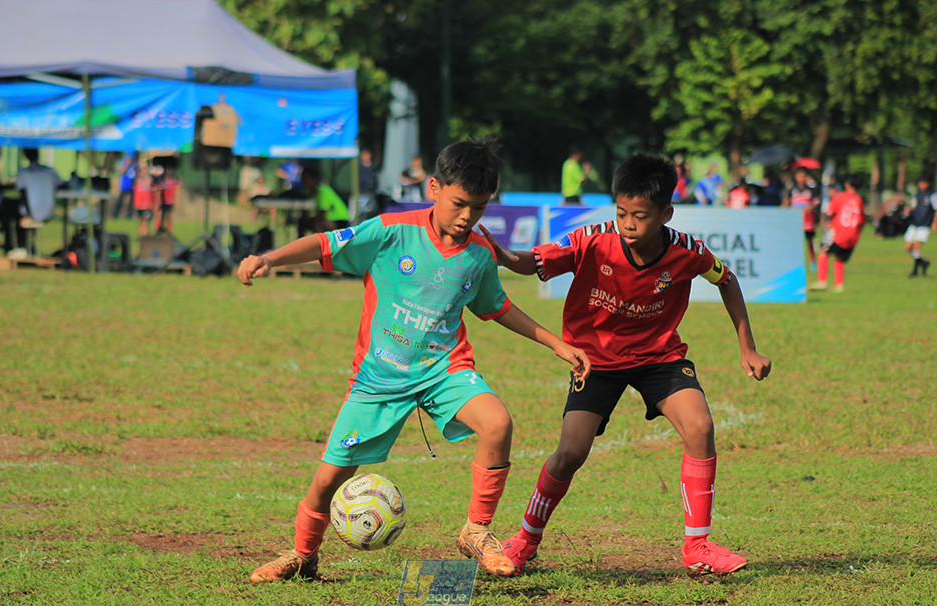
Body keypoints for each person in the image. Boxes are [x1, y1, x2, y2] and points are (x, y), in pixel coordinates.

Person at [237, 138, 590, 583]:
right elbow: (324, 244)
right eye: (460, 204)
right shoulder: (390, 231)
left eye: (479, 208)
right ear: (434, 188)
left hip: (444, 371)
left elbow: (495, 306)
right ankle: (303, 556)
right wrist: (267, 258)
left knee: (497, 423)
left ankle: (476, 531)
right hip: (378, 378)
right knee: (326, 481)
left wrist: (555, 343)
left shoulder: (480, 253)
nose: (467, 217)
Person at [479, 153, 771, 577]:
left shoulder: (688, 251)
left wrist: (748, 346)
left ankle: (698, 547)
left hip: (659, 357)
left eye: (640, 216)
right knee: (570, 452)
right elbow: (536, 263)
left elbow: (725, 279)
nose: (628, 224)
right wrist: (505, 256)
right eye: (621, 213)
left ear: (666, 214)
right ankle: (525, 540)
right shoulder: (593, 240)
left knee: (700, 427)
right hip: (595, 360)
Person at [810, 174, 866, 292]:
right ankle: (839, 285)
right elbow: (862, 220)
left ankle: (822, 282)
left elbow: (830, 212)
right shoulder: (859, 200)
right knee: (839, 258)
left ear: (847, 184)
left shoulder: (839, 197)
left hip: (839, 233)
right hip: (853, 236)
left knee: (824, 253)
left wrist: (828, 223)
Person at [15, 148, 63, 255]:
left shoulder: (23, 173)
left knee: (14, 213)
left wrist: (29, 214)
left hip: (31, 214)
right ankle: (27, 248)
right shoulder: (50, 171)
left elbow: (22, 194)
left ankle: (22, 247)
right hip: (48, 212)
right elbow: (63, 184)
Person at [782, 167, 821, 266]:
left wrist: (808, 209)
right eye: (799, 176)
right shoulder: (793, 189)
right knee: (794, 243)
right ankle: (795, 262)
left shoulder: (811, 189)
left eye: (803, 176)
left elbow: (816, 202)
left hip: (808, 221)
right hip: (795, 221)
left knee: (810, 242)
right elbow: (787, 201)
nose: (801, 179)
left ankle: (812, 261)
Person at [296, 165, 349, 236]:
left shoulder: (323, 191)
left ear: (313, 179)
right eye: (302, 178)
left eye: (305, 178)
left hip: (340, 221)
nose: (303, 181)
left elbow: (322, 215)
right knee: (302, 223)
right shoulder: (311, 194)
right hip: (330, 220)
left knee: (317, 224)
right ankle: (302, 245)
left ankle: (321, 245)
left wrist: (307, 220)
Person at [904, 174, 937, 278]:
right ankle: (923, 263)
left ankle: (914, 271)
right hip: (915, 223)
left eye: (924, 183)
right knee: (908, 247)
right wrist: (908, 210)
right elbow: (914, 206)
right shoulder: (918, 194)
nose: (921, 185)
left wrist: (935, 222)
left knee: (916, 246)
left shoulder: (932, 195)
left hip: (925, 224)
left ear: (929, 183)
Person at [132, 160, 156, 238]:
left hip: (147, 204)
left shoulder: (149, 179)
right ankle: (142, 235)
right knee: (141, 220)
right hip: (139, 204)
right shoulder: (137, 180)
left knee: (145, 220)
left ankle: (145, 235)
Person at [112, 152, 138, 219]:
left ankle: (129, 216)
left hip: (132, 186)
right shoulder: (124, 163)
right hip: (124, 185)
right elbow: (121, 172)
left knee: (131, 203)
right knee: (120, 201)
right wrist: (127, 164)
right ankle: (115, 214)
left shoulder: (135, 165)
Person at [156, 165, 179, 234]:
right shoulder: (161, 178)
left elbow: (176, 190)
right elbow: (158, 190)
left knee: (168, 216)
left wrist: (176, 201)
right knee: (159, 214)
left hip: (170, 200)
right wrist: (158, 201)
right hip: (162, 200)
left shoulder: (174, 178)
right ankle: (159, 229)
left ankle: (169, 231)